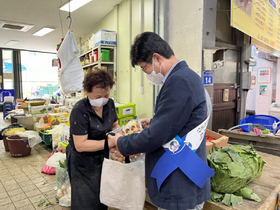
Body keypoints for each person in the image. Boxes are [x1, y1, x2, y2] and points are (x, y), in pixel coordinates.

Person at [108, 32, 211, 210]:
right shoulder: (186, 77)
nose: (147, 73)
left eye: (144, 68)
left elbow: (156, 136)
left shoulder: (179, 81)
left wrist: (121, 141)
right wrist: (156, 121)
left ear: (157, 58)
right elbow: (179, 123)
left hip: (179, 182)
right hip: (186, 173)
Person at [66, 69, 119, 210]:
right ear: (86, 92)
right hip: (83, 162)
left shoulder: (110, 104)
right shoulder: (80, 110)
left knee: (102, 198)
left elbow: (114, 125)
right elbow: (81, 145)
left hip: (103, 159)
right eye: (98, 96)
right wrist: (110, 142)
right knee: (86, 202)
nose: (103, 99)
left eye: (106, 95)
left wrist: (119, 134)